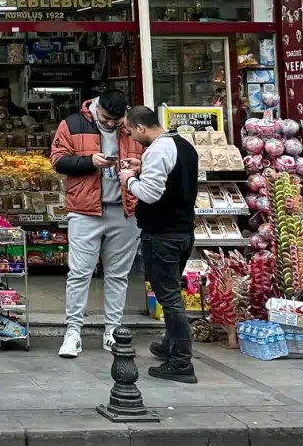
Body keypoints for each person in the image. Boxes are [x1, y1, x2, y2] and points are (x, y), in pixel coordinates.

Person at [51, 90, 143, 358]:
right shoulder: (72, 123)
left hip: (125, 210)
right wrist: (89, 161)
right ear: (96, 107)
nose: (112, 124)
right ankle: (73, 332)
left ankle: (112, 331)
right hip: (84, 210)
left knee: (117, 275)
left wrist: (138, 165)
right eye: (106, 118)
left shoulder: (131, 125)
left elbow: (152, 156)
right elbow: (57, 160)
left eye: (117, 119)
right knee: (79, 273)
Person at [119, 106, 200, 384]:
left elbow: (151, 194)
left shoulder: (156, 150)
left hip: (163, 234)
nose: (130, 136)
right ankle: (170, 345)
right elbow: (174, 178)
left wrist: (129, 180)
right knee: (171, 291)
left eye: (130, 131)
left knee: (170, 300)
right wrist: (143, 168)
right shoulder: (183, 145)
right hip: (183, 232)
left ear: (141, 127)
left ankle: (181, 362)